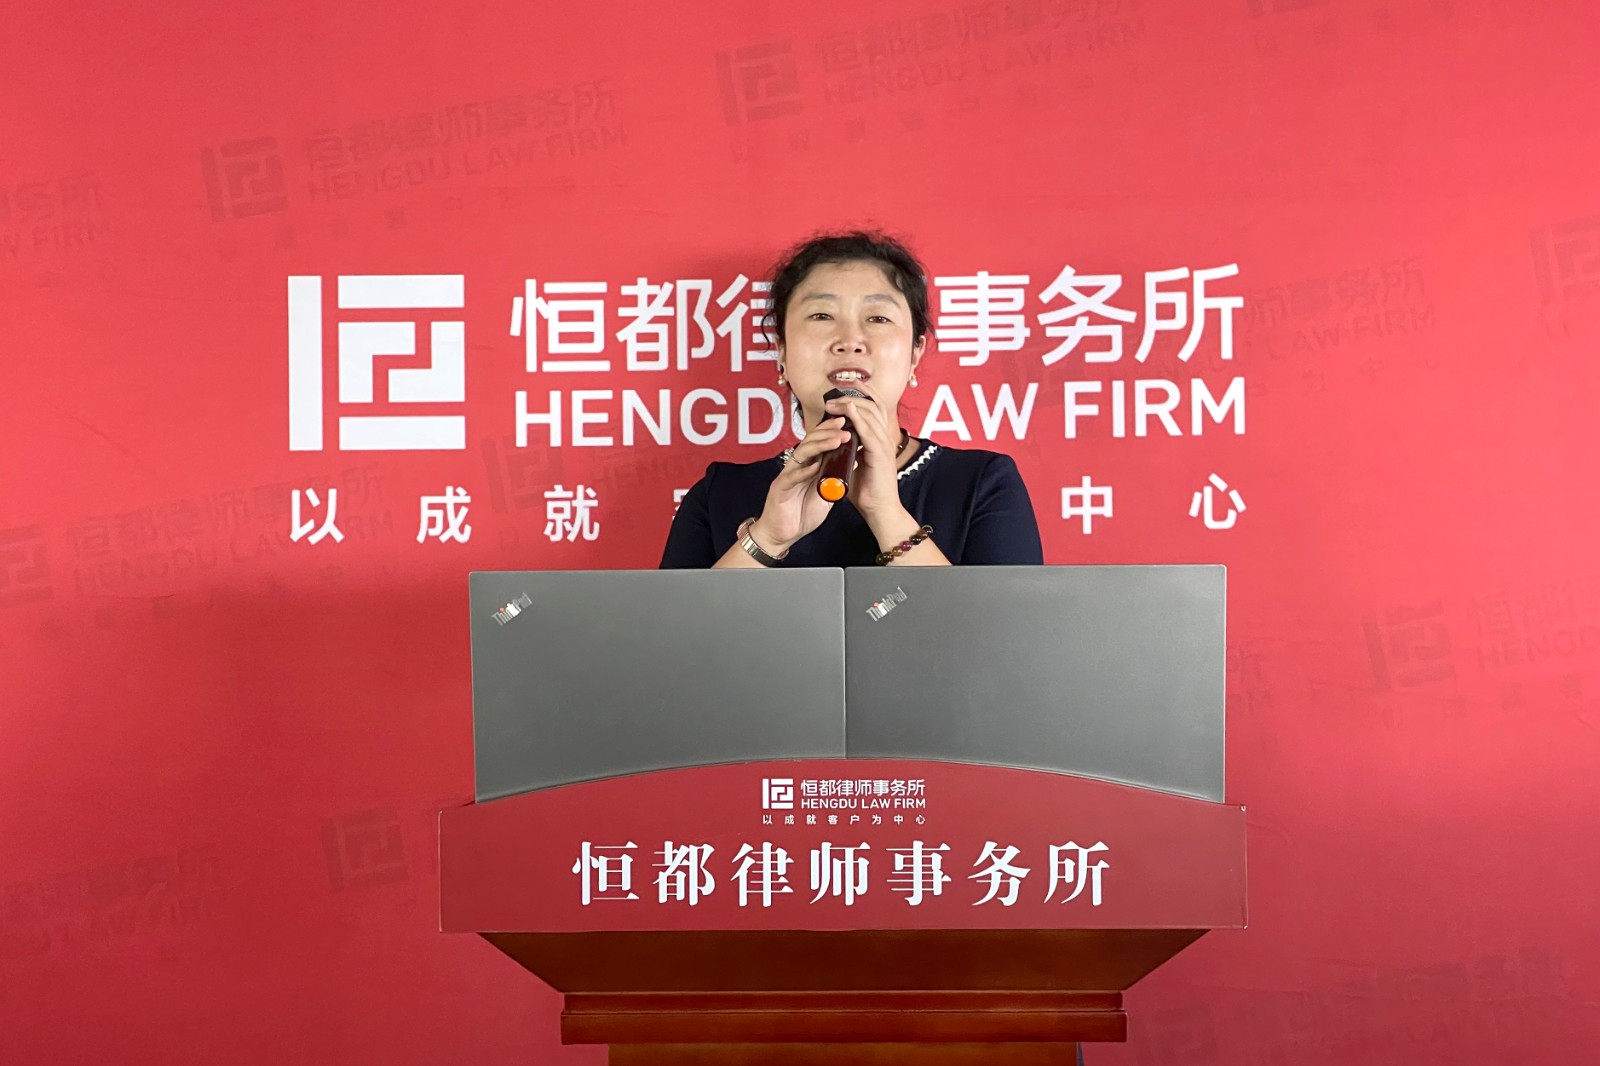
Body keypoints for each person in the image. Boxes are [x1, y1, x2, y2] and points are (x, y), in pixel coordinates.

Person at [660, 230, 1042, 569]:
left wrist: (887, 513)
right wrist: (768, 538)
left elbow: (1000, 627)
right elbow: (674, 629)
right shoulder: (719, 494)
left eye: (878, 318)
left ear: (915, 354)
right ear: (781, 352)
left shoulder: (982, 484)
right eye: (821, 316)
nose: (849, 341)